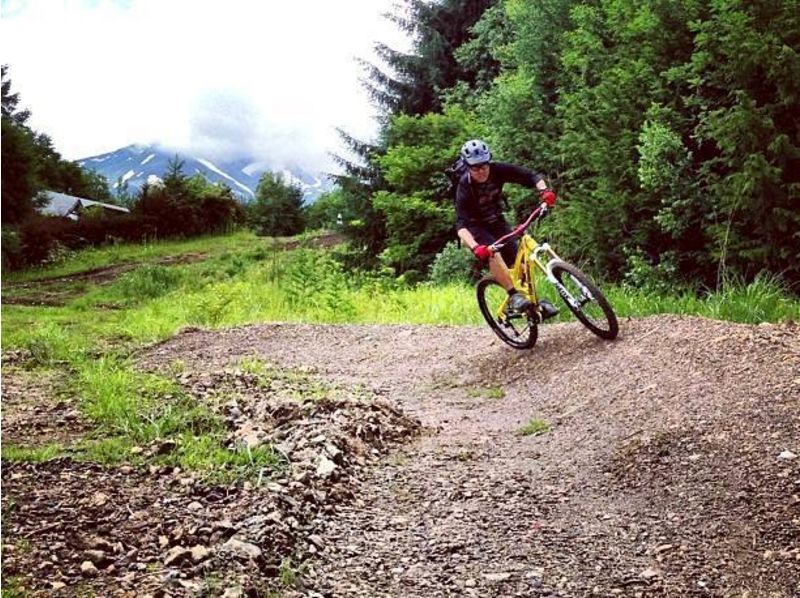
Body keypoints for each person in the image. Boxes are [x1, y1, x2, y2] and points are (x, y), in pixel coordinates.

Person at [455, 138, 559, 318]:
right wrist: (476, 247)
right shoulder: (464, 186)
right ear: (467, 167)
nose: (481, 171)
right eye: (475, 168)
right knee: (492, 252)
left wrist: (544, 191)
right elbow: (461, 226)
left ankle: (534, 302)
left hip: (496, 220)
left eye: (484, 166)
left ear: (489, 162)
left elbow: (531, 176)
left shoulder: (498, 170)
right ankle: (513, 296)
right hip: (475, 227)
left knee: (520, 259)